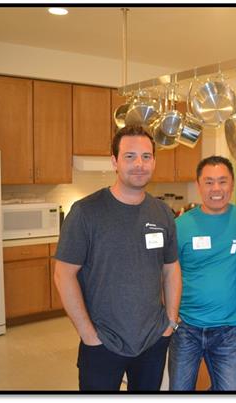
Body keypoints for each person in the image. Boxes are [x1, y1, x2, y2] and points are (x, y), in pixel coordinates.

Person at [54, 125, 182, 391]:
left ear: (154, 161)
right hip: (102, 343)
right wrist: (88, 335)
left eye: (146, 156)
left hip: (152, 341)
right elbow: (63, 275)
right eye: (129, 156)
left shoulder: (162, 213)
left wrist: (170, 322)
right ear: (114, 161)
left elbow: (171, 269)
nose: (139, 164)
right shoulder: (86, 212)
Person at [168, 156, 236, 391]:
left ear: (232, 183)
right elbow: (166, 273)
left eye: (222, 181)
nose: (216, 189)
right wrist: (169, 315)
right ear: (198, 185)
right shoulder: (181, 225)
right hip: (186, 328)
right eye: (209, 182)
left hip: (227, 331)